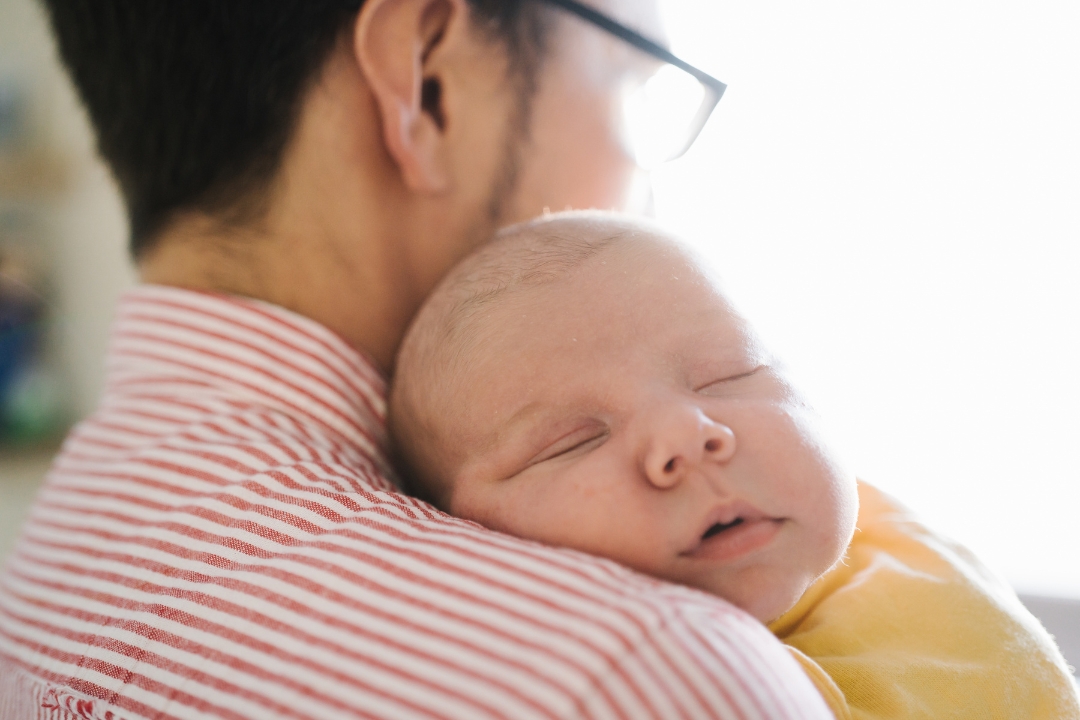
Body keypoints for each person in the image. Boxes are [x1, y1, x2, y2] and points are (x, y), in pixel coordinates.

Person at [0, 1, 837, 718]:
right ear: (425, 75)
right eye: (634, 82)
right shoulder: (651, 670)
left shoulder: (36, 580)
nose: (643, 179)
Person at [388, 212, 1080, 720]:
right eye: (570, 442)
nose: (688, 435)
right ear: (471, 543)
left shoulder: (889, 539)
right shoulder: (663, 685)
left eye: (730, 374)